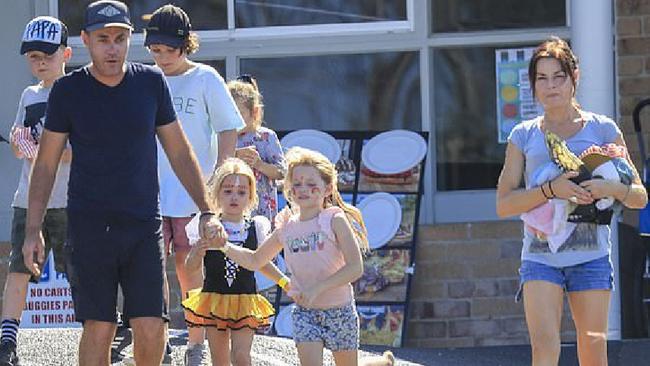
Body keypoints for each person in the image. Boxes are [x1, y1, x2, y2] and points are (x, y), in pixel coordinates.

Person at [22, 1, 225, 365]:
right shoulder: (69, 90)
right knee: (100, 328)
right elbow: (46, 163)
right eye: (103, 39)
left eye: (120, 38)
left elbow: (180, 151)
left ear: (130, 39)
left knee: (151, 325)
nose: (112, 48)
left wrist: (209, 210)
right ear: (86, 40)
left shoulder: (150, 82)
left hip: (143, 224)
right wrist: (32, 229)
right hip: (89, 227)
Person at [496, 37, 648, 366]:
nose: (551, 86)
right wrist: (551, 190)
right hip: (540, 258)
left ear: (574, 77)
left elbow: (639, 196)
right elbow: (504, 203)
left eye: (558, 77)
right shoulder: (523, 134)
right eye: (542, 78)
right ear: (533, 85)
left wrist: (610, 188)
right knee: (545, 349)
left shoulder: (603, 130)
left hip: (591, 257)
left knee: (593, 353)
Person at [212, 147, 391, 366]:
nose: (303, 189)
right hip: (305, 312)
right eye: (296, 184)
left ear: (327, 188)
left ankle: (378, 363)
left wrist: (317, 289)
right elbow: (255, 260)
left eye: (310, 184)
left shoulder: (334, 220)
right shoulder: (286, 226)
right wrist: (224, 246)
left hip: (340, 311)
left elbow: (355, 268)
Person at [143, 5, 245, 364]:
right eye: (156, 51)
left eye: (170, 50)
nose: (163, 58)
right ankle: (161, 339)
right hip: (149, 193)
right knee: (152, 271)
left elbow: (228, 127)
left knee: (191, 268)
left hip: (194, 193)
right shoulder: (144, 78)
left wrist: (221, 177)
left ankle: (195, 341)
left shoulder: (205, 78)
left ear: (186, 45)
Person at [0, 16, 72, 366]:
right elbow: (17, 142)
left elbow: (77, 151)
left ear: (66, 54)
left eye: (47, 54)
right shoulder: (29, 95)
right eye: (33, 56)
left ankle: (103, 326)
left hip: (70, 200)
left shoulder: (76, 92)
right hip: (28, 198)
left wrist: (40, 145)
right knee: (18, 267)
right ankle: (8, 337)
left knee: (81, 269)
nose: (40, 62)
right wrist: (37, 145)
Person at [182, 158, 287, 366]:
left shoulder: (256, 226)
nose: (234, 197)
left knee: (241, 357)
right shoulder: (206, 226)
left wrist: (284, 282)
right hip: (214, 299)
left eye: (241, 192)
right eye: (228, 191)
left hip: (245, 299)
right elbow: (190, 268)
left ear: (250, 196)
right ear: (217, 194)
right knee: (219, 360)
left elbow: (259, 261)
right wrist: (197, 252)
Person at [229, 77, 285, 224]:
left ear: (254, 112)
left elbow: (281, 172)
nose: (232, 120)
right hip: (230, 208)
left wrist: (259, 164)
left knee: (262, 243)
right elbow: (211, 167)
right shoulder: (222, 138)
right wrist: (234, 156)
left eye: (238, 114)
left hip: (262, 209)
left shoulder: (266, 137)